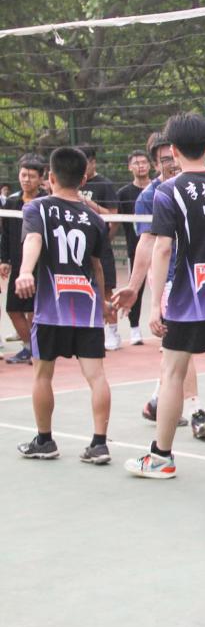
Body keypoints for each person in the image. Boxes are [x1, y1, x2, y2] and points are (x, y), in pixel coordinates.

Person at [122, 113, 205, 480]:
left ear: (173, 150)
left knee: (172, 374)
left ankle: (161, 457)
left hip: (187, 297)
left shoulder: (168, 191)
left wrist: (155, 304)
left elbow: (162, 247)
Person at [113, 134, 205, 437]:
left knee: (175, 350)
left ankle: (156, 401)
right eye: (164, 160)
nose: (171, 163)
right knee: (181, 346)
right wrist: (134, 288)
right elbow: (147, 244)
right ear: (155, 163)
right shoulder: (151, 196)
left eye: (173, 157)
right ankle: (196, 411)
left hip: (201, 278)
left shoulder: (199, 186)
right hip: (171, 281)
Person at [14, 147, 112, 464]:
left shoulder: (37, 208)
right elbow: (97, 266)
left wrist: (25, 271)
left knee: (43, 374)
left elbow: (34, 240)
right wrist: (103, 301)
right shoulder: (95, 219)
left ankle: (44, 440)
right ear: (83, 179)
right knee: (96, 376)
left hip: (50, 309)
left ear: (51, 178)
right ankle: (99, 444)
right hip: (86, 306)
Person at [2, 153, 47, 365]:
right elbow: (5, 233)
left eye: (31, 176)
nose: (26, 179)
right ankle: (30, 347)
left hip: (41, 265)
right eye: (23, 175)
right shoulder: (11, 203)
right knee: (13, 308)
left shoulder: (47, 202)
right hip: (19, 266)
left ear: (41, 178)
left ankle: (38, 350)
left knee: (34, 310)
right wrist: (4, 260)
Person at [78, 145, 122, 351]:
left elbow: (114, 216)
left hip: (99, 245)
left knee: (106, 289)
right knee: (81, 289)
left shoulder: (104, 184)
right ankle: (88, 331)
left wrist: (87, 202)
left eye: (85, 162)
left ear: (93, 162)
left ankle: (112, 331)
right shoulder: (71, 183)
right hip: (79, 246)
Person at [116, 150, 153, 344]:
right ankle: (134, 329)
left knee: (165, 288)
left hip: (162, 248)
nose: (141, 166)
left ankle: (166, 327)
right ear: (130, 167)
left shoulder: (160, 188)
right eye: (136, 163)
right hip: (136, 249)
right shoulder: (123, 194)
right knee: (135, 288)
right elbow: (114, 218)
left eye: (144, 162)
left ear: (150, 165)